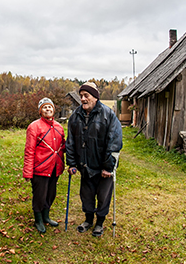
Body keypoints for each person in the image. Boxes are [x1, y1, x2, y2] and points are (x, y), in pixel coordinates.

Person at [66, 82, 123, 237]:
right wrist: (71, 163)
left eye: (86, 96)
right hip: (85, 166)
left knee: (103, 197)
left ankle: (99, 223)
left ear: (95, 97)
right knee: (87, 196)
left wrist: (108, 167)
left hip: (103, 167)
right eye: (81, 95)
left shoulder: (108, 115)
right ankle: (88, 220)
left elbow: (114, 142)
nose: (83, 99)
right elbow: (70, 141)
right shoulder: (75, 116)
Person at [23, 97, 66, 233]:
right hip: (40, 168)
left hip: (55, 168)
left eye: (50, 107)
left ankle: (46, 216)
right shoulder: (34, 127)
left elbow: (63, 146)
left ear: (54, 109)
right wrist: (28, 172)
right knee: (39, 196)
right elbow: (29, 150)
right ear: (40, 111)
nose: (48, 109)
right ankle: (38, 220)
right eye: (44, 107)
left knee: (51, 194)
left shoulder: (59, 127)